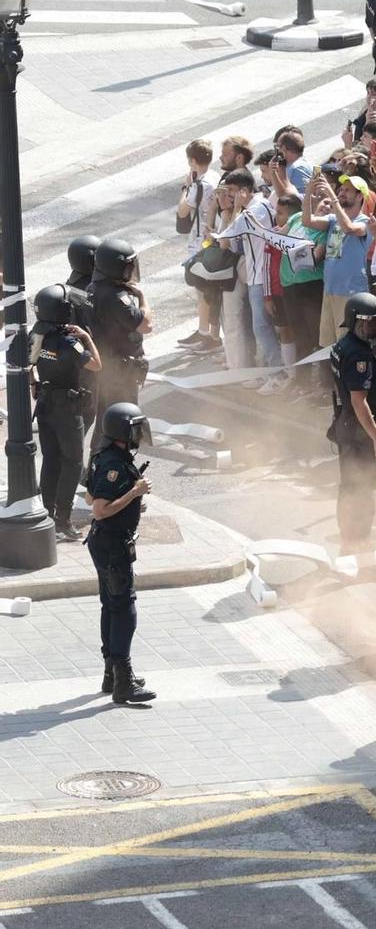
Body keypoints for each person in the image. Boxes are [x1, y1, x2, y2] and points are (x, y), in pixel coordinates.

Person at [86, 402, 157, 706]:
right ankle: (123, 681)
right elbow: (99, 509)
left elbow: (89, 491)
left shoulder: (104, 456)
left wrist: (127, 502)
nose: (138, 435)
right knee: (124, 608)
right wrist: (134, 493)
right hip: (113, 543)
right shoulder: (115, 464)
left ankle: (111, 674)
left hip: (104, 543)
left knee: (110, 605)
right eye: (135, 428)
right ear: (121, 431)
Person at [31, 284, 101, 543]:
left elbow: (28, 363)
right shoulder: (69, 341)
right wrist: (87, 337)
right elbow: (96, 365)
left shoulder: (36, 335)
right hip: (67, 409)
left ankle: (47, 515)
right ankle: (63, 520)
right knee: (71, 463)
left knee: (50, 459)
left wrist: (33, 384)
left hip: (46, 405)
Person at [328, 293, 376, 574]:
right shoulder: (359, 355)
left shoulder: (344, 346)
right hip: (359, 432)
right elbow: (359, 400)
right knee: (362, 496)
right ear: (356, 322)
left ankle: (348, 553)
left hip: (346, 427)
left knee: (350, 490)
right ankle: (365, 564)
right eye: (372, 322)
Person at [87, 238, 148, 455]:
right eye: (127, 266)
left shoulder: (93, 288)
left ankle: (96, 468)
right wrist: (141, 297)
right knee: (122, 421)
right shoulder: (115, 297)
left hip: (109, 367)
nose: (131, 270)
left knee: (106, 419)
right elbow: (146, 324)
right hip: (121, 372)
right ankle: (110, 471)